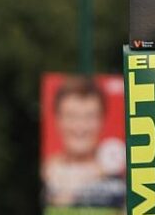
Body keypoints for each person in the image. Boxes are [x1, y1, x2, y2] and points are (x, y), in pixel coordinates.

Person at [42, 76, 125, 208]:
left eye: (89, 117)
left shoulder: (121, 175)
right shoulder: (45, 174)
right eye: (72, 116)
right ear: (58, 120)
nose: (80, 127)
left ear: (102, 121)